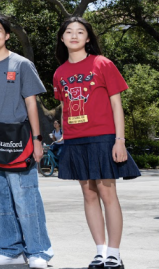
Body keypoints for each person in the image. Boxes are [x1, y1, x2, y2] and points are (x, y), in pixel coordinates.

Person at [53, 16, 141, 269]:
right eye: (69, 32)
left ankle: (114, 253)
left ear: (88, 38)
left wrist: (119, 140)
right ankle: (100, 252)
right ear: (62, 38)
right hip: (75, 140)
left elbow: (116, 104)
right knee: (88, 194)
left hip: (103, 137)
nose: (74, 36)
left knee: (107, 193)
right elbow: (65, 105)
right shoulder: (59, 73)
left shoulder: (102, 63)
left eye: (80, 32)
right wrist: (64, 135)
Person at [0, 12, 52, 268]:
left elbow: (31, 103)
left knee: (26, 196)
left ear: (7, 35)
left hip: (21, 138)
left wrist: (37, 139)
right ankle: (9, 249)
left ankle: (38, 251)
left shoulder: (21, 64)